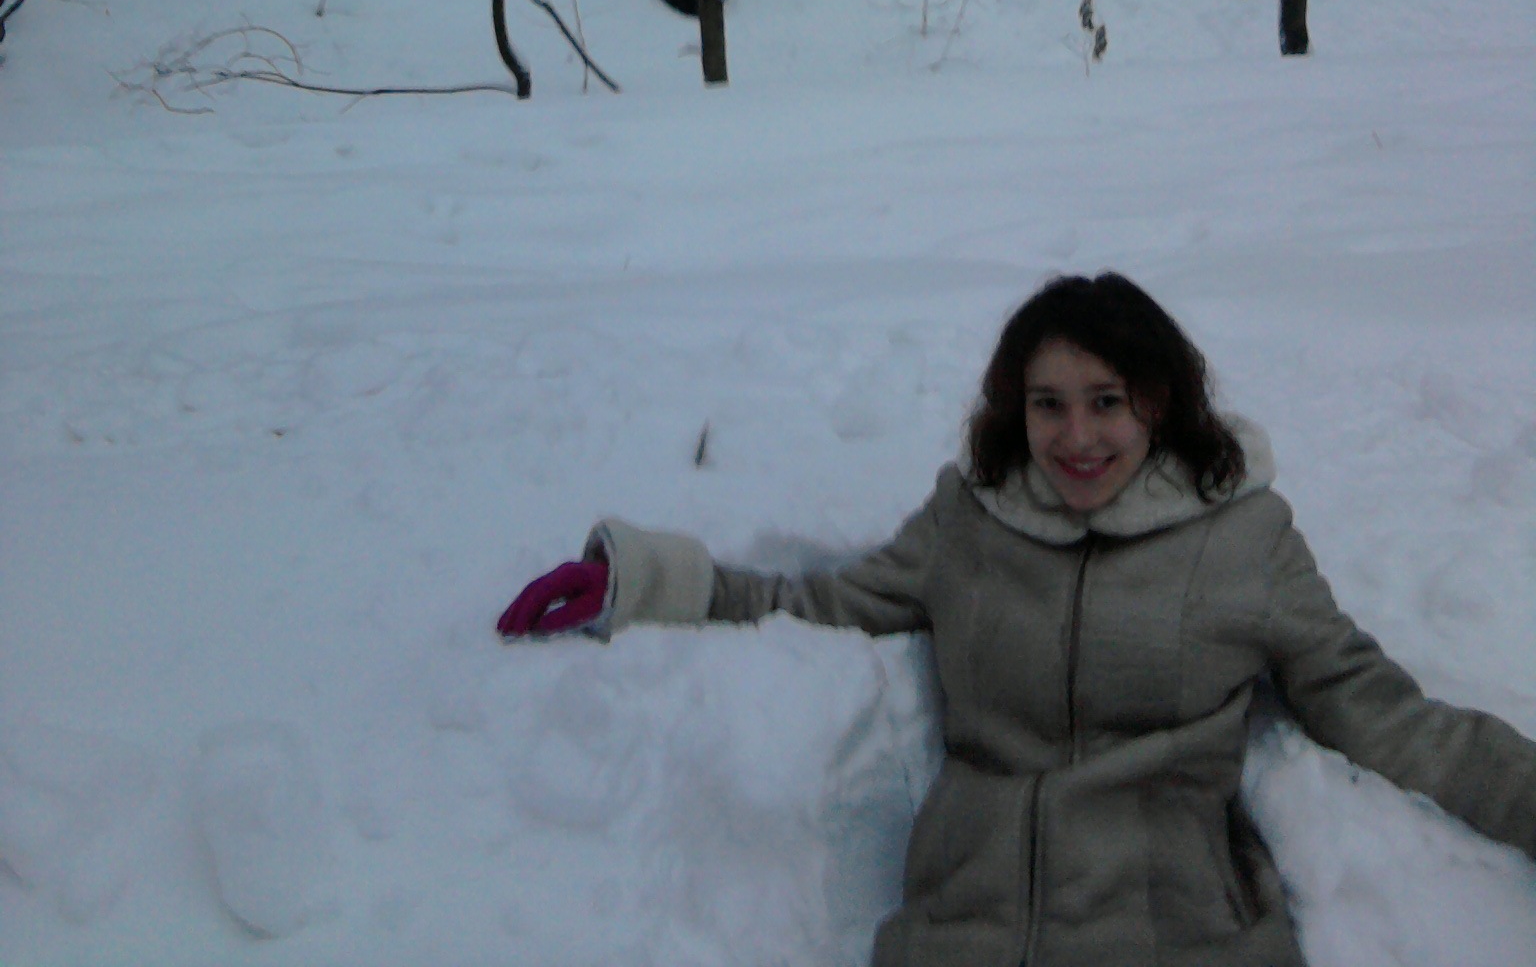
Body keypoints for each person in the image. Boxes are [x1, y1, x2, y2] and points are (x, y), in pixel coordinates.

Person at [497, 272, 1536, 967]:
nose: (1076, 435)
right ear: (1015, 407)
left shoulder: (1243, 539)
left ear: (1159, 400)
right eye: (1048, 403)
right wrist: (644, 583)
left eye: (1106, 400)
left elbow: (1377, 708)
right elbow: (815, 605)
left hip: (1173, 935)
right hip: (963, 932)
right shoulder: (970, 520)